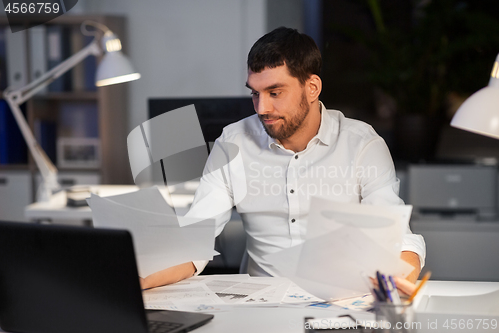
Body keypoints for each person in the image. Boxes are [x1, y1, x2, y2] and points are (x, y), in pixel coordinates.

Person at [140, 27, 426, 291]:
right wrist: (138, 280)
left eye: (275, 92)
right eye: (255, 93)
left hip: (341, 301)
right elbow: (195, 237)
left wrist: (400, 273)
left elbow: (395, 235)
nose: (262, 108)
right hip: (261, 306)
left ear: (312, 88)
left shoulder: (362, 145)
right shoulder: (233, 142)